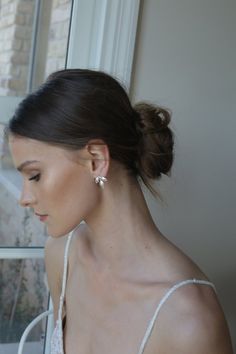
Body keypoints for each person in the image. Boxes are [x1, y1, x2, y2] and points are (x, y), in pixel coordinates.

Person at [6, 69, 233, 354]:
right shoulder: (61, 256)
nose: (24, 198)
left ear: (97, 160)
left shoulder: (190, 320)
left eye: (35, 175)